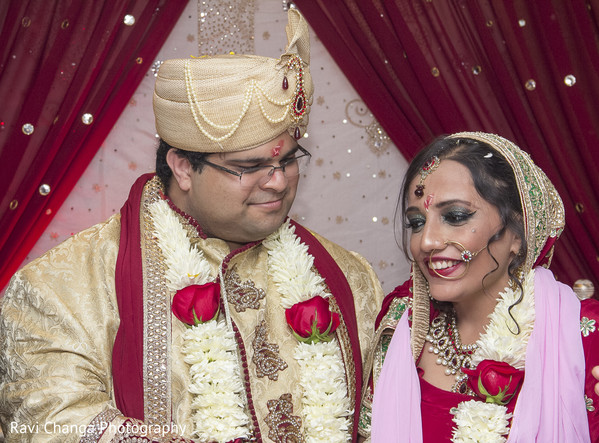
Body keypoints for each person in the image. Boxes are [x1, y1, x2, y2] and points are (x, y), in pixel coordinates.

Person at [0, 9, 383, 442]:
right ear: (182, 167)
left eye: (288, 160)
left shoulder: (350, 280)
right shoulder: (61, 288)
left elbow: (384, 422)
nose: (277, 182)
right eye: (250, 166)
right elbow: (50, 422)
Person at [358, 132, 599, 442]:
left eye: (455, 216)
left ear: (517, 233)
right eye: (417, 222)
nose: (427, 241)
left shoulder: (582, 336)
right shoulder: (402, 327)